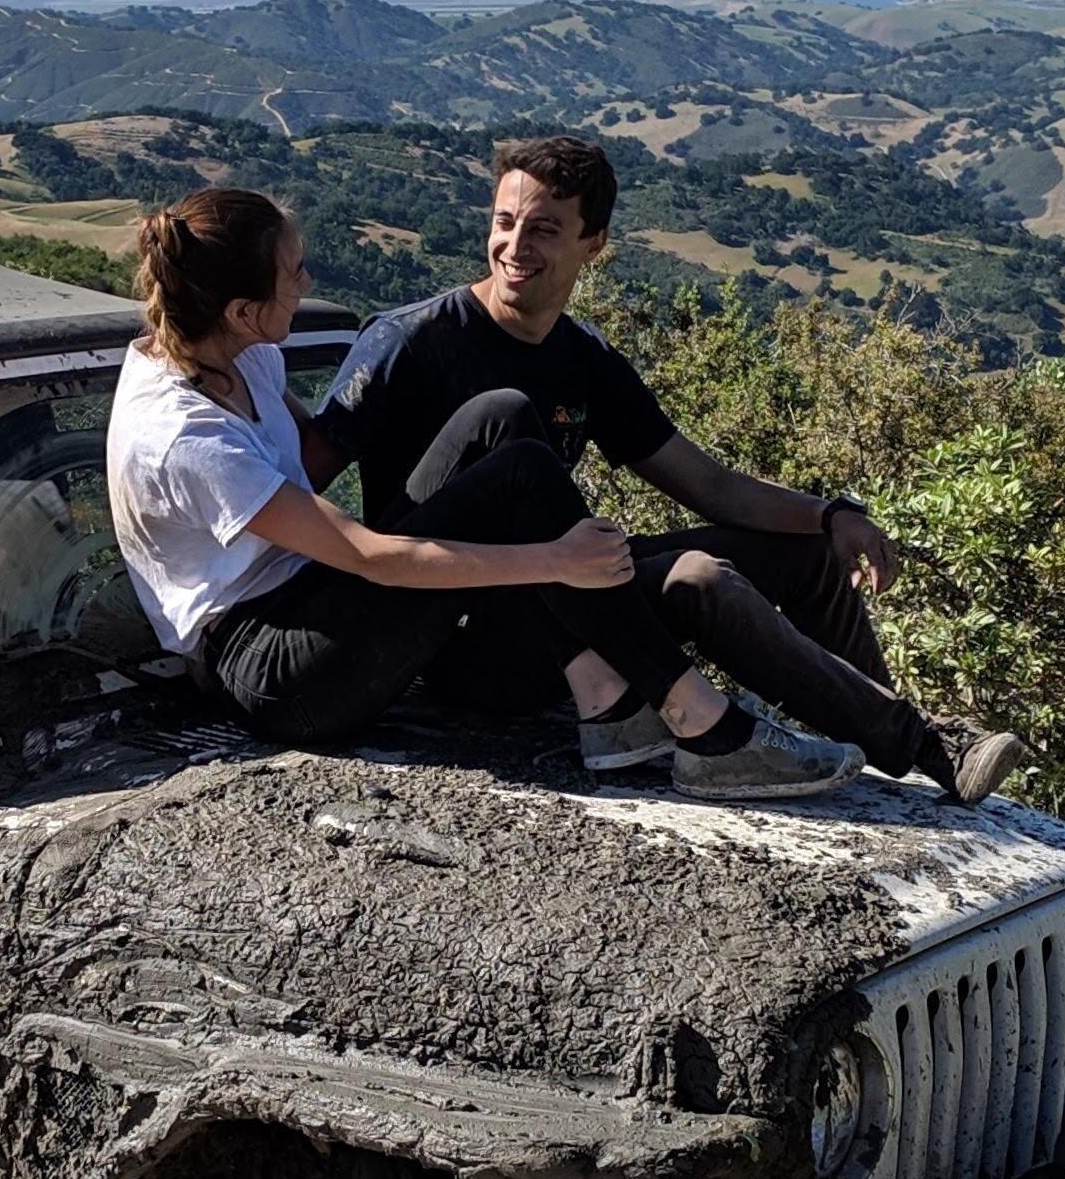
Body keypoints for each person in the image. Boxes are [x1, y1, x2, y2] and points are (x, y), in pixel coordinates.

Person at [313, 132, 1022, 799]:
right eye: (504, 222)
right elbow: (300, 479)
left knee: (807, 552)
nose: (513, 245)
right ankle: (926, 745)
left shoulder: (582, 358)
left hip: (571, 596)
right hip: (465, 638)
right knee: (698, 578)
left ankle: (883, 747)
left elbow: (708, 485)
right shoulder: (411, 341)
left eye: (543, 229)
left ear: (595, 243)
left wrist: (830, 514)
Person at [103, 185, 857, 802]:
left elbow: (303, 470)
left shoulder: (239, 354)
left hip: (315, 601)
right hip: (276, 669)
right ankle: (702, 725)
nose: (306, 284)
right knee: (524, 480)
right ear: (239, 310)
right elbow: (369, 554)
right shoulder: (182, 435)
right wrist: (552, 558)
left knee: (501, 419)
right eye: (292, 273)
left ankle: (608, 701)